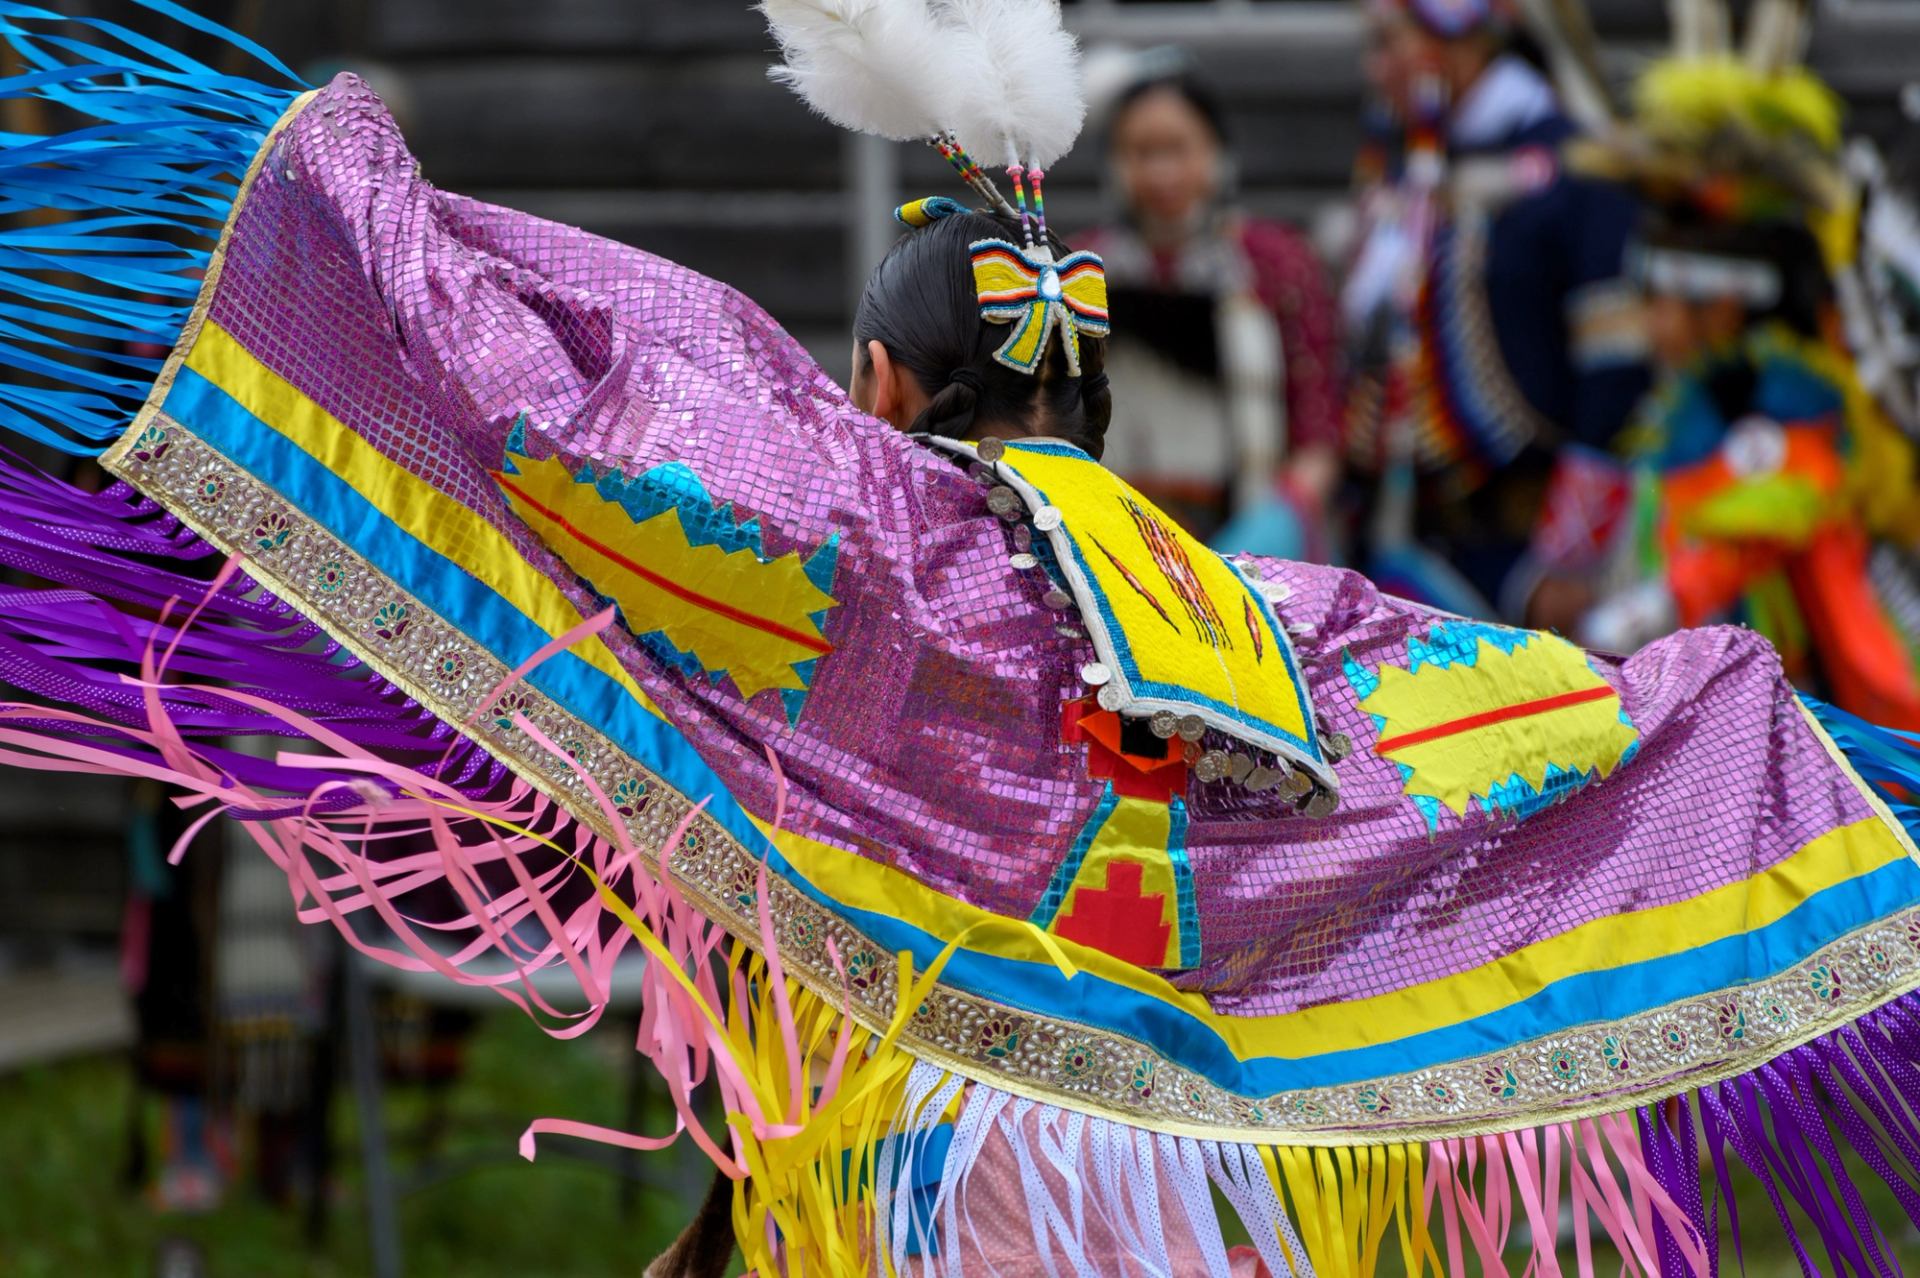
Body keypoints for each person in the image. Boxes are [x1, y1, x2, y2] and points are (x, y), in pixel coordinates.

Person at [4, 3, 1920, 1276]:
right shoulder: (1294, 618)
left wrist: (304, 186)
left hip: (961, 1176)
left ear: (882, 376)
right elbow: (1572, 718)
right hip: (1235, 1187)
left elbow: (558, 413)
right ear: (1087, 403)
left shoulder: (858, 533)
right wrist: (1802, 745)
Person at [1559, 5, 1920, 729]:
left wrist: (1640, 615)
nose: (1647, 321)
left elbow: (1768, 515)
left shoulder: (1793, 397)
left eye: (1660, 300)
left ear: (1720, 306)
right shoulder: (1681, 406)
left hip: (1824, 704)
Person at [1342, 0, 1650, 622]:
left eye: (1389, 42)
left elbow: (1616, 373)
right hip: (1410, 543)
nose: (1376, 69)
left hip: (1528, 555)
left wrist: (1570, 560)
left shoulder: (1574, 169)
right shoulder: (1408, 168)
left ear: (1458, 43)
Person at [1078, 58, 1343, 556]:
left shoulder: (1277, 264)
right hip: (1119, 540)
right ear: (1114, 166)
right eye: (1141, 152)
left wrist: (1275, 526)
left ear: (1218, 155)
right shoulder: (1081, 270)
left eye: (1178, 149)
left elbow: (1319, 437)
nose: (1162, 173)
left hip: (1255, 543)